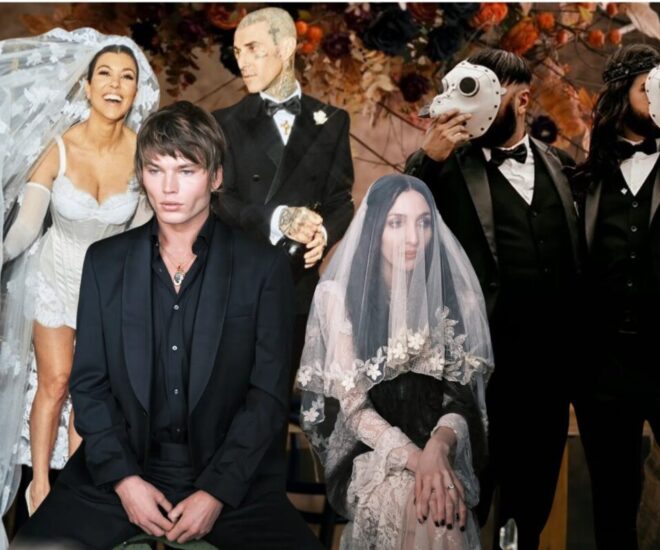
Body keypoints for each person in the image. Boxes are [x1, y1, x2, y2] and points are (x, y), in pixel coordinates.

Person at [12, 100, 321, 549]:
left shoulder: (262, 268)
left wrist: (216, 493)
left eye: (186, 170)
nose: (169, 187)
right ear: (142, 176)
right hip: (120, 471)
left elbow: (267, 397)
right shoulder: (105, 263)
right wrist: (124, 482)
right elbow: (90, 384)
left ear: (215, 177)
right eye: (156, 170)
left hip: (231, 478)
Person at [406, 48, 581, 549]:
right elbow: (398, 225)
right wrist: (428, 159)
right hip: (474, 375)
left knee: (530, 509)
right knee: (462, 507)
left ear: (522, 100)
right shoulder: (446, 167)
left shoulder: (561, 166)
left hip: (548, 375)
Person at [0, 28, 159, 528]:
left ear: (136, 91)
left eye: (127, 77)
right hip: (56, 275)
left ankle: (76, 489)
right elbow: (26, 227)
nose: (115, 84)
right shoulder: (59, 147)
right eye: (105, 74)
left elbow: (143, 235)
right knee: (56, 379)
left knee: (93, 393)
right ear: (87, 86)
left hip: (109, 289)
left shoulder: (145, 154)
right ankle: (39, 486)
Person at [297, 174, 493, 550]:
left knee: (442, 503)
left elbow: (461, 401)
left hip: (441, 447)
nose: (413, 238)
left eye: (424, 223)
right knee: (424, 505)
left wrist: (438, 448)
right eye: (397, 223)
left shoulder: (456, 296)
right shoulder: (338, 297)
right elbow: (355, 410)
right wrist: (418, 461)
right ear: (375, 227)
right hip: (371, 451)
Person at [213, 7, 354, 387]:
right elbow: (218, 199)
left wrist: (323, 234)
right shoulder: (223, 122)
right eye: (237, 51)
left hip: (296, 289)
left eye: (253, 48)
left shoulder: (332, 120)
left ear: (287, 47)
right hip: (236, 287)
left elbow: (341, 200)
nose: (242, 62)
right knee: (229, 399)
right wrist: (278, 219)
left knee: (275, 401)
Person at [572, 44, 660, 550]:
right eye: (647, 87)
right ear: (621, 94)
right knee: (611, 502)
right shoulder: (585, 179)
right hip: (602, 368)